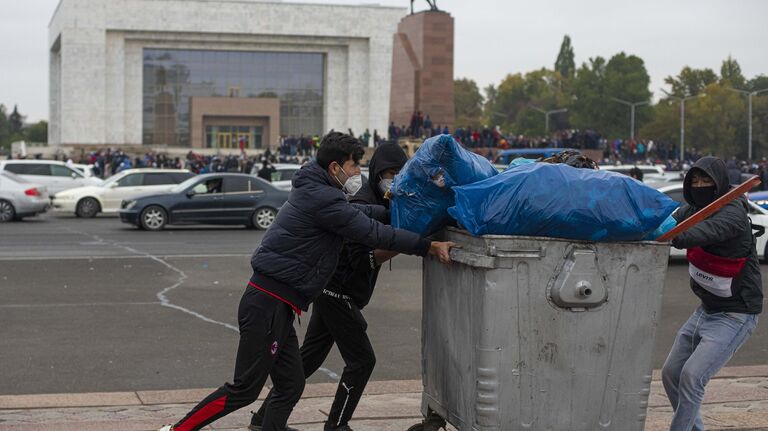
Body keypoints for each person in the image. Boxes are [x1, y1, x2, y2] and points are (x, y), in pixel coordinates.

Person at [158, 133, 455, 431]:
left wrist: (395, 213)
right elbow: (372, 233)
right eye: (354, 166)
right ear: (335, 167)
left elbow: (358, 212)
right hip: (267, 302)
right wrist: (427, 246)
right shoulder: (323, 198)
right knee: (244, 389)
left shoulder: (320, 190)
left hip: (282, 303)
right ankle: (176, 430)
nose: (357, 174)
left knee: (291, 384)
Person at [249, 143, 408, 431]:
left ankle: (263, 420)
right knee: (361, 361)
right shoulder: (363, 199)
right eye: (391, 172)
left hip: (334, 290)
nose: (395, 177)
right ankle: (337, 424)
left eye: (401, 172)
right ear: (377, 172)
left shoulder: (388, 199)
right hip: (338, 291)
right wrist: (405, 243)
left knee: (306, 361)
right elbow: (362, 258)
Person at [662, 156, 762, 431]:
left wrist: (670, 235)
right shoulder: (692, 208)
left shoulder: (733, 214)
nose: (700, 185)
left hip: (736, 314)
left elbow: (703, 231)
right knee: (671, 374)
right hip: (705, 310)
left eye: (706, 180)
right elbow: (665, 215)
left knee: (692, 377)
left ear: (719, 184)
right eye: (695, 180)